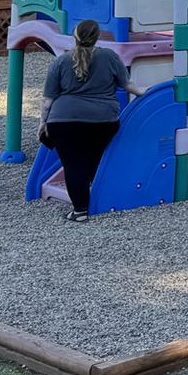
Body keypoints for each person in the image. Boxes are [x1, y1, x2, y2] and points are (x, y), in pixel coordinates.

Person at [40, 19, 128, 223]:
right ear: (97, 37)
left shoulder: (61, 61)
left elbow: (47, 100)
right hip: (103, 121)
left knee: (72, 165)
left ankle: (80, 210)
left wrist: (43, 123)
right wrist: (150, 92)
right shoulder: (109, 57)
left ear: (74, 36)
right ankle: (100, 195)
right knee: (95, 157)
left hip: (64, 121)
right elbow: (128, 85)